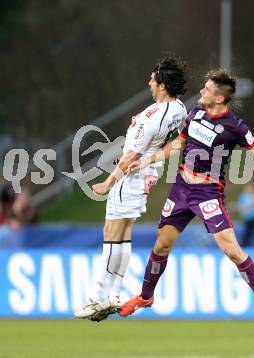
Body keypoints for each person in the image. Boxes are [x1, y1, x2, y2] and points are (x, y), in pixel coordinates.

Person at [119, 69, 254, 327]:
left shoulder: (235, 127)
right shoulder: (196, 113)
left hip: (207, 193)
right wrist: (147, 159)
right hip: (181, 188)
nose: (201, 90)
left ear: (219, 99)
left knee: (232, 251)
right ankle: (146, 297)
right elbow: (178, 144)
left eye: (207, 89)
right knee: (161, 246)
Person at [74, 54, 188, 321]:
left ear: (162, 85)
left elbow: (129, 157)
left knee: (112, 234)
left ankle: (97, 297)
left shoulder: (152, 116)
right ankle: (112, 294)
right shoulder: (180, 109)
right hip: (149, 175)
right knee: (122, 234)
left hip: (131, 177)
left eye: (152, 79)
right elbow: (177, 143)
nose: (149, 82)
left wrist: (108, 181)